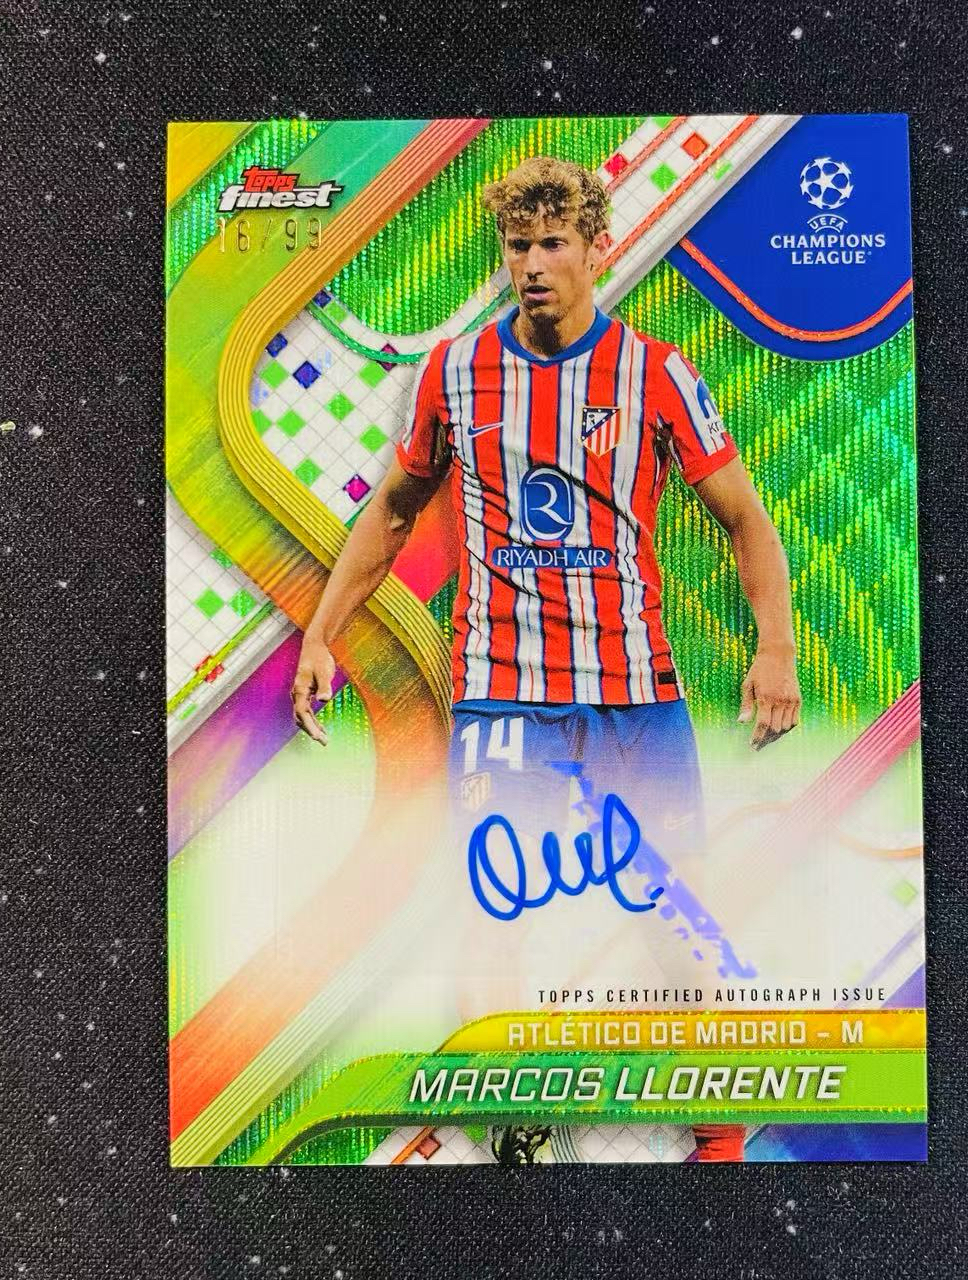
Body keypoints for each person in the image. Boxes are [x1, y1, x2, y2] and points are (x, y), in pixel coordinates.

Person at [292, 155, 801, 1162]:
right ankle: (516, 1119)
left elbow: (743, 515)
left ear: (596, 249)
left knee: (678, 917)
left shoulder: (655, 374)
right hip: (505, 696)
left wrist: (775, 644)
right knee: (495, 907)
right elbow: (393, 509)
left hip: (633, 694)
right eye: (517, 245)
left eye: (552, 243)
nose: (530, 264)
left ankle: (719, 1139)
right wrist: (320, 631)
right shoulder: (454, 373)